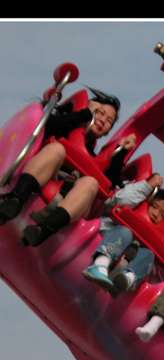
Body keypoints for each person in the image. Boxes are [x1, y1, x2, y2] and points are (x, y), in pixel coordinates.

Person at [0, 86, 136, 246]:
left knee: (91, 183)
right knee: (57, 149)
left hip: (69, 201)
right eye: (100, 112)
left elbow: (108, 184)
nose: (103, 120)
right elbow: (48, 125)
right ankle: (14, 200)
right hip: (42, 178)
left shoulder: (94, 158)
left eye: (109, 121)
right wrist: (84, 114)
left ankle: (42, 231)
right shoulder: (64, 126)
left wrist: (120, 152)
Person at [82, 172, 164, 294]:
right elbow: (120, 200)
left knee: (149, 255)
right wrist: (147, 186)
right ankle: (99, 265)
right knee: (125, 232)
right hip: (109, 234)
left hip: (133, 256)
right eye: (154, 207)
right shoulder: (134, 204)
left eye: (162, 214)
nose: (156, 214)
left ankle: (127, 279)